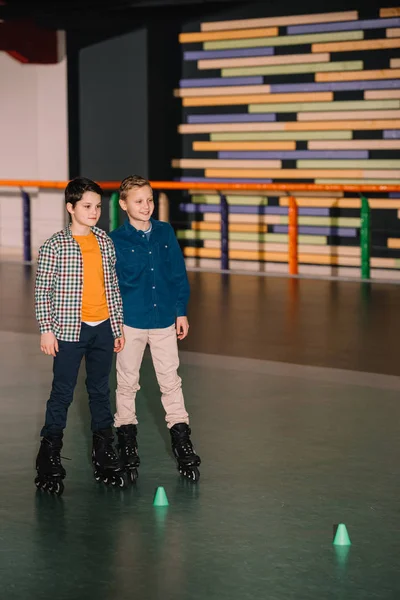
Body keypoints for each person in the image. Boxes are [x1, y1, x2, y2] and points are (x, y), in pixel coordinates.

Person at [34, 177, 125, 494]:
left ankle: (103, 450)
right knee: (63, 391)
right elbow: (42, 291)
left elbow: (112, 287)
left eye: (98, 206)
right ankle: (49, 454)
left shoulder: (104, 241)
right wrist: (47, 329)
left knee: (101, 390)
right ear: (70, 207)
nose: (94, 211)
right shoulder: (54, 246)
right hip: (70, 331)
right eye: (87, 206)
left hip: (102, 328)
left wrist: (117, 326)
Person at [109, 174, 201, 482]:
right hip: (129, 323)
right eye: (138, 201)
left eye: (149, 200)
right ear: (124, 205)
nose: (146, 206)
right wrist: (114, 325)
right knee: (126, 384)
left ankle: (182, 442)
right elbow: (111, 286)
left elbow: (177, 274)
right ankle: (127, 443)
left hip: (163, 321)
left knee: (170, 381)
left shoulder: (165, 232)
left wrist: (181, 312)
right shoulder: (115, 240)